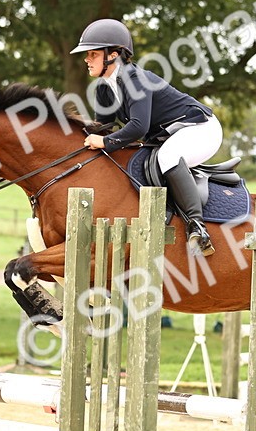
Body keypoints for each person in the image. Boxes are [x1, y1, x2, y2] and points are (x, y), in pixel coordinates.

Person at [72, 18, 221, 257]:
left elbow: (138, 128)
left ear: (114, 54)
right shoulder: (103, 87)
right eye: (87, 55)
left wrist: (105, 142)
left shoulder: (136, 79)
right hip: (170, 133)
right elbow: (103, 127)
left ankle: (197, 227)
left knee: (168, 156)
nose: (86, 60)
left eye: (92, 54)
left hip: (201, 128)